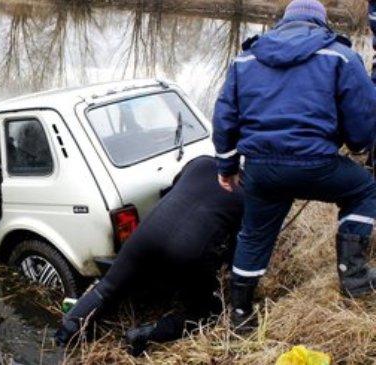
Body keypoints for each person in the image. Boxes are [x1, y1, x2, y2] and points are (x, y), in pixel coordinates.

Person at [213, 0, 376, 332]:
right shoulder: (340, 56)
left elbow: (225, 116)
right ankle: (355, 277)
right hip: (318, 166)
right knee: (364, 190)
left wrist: (226, 165)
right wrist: (354, 144)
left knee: (254, 235)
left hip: (261, 170)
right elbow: (363, 118)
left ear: (282, 22)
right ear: (321, 23)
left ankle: (241, 314)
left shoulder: (245, 59)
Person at [54, 156, 244, 356]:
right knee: (207, 312)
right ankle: (146, 334)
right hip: (189, 251)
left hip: (148, 234)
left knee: (107, 288)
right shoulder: (246, 197)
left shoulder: (202, 162)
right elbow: (237, 249)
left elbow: (173, 187)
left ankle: (61, 338)